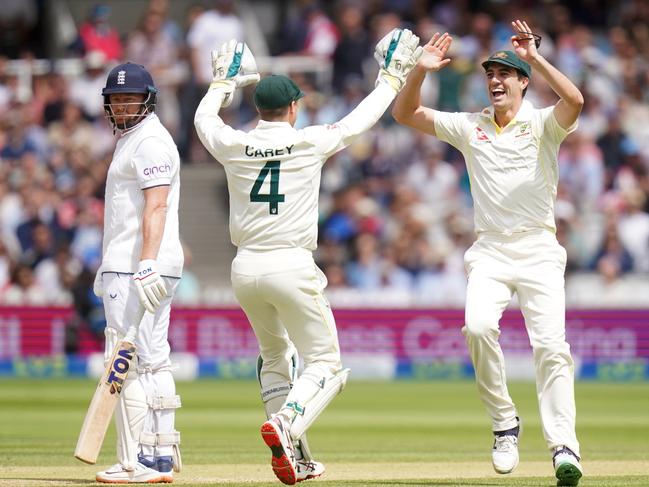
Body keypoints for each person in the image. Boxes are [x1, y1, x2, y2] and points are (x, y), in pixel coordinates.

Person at [194, 32, 422, 485]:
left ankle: (294, 456)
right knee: (326, 364)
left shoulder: (232, 144)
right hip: (291, 265)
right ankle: (285, 424)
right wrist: (393, 78)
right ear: (294, 107)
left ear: (258, 109)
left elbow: (203, 119)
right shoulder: (309, 141)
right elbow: (360, 121)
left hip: (245, 269)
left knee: (275, 355)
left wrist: (222, 84)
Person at [392, 19, 584, 487]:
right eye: (490, 74)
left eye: (506, 74)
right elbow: (405, 113)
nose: (496, 80)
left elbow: (575, 101)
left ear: (523, 82)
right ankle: (504, 423)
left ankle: (563, 446)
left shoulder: (542, 123)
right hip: (492, 252)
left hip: (538, 249)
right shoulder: (469, 126)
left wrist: (535, 57)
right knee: (477, 327)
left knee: (552, 348)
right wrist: (421, 69)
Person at [93, 62, 184, 484]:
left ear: (148, 99)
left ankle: (137, 461)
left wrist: (143, 262)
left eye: (130, 98)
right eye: (115, 99)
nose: (122, 105)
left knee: (126, 360)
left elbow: (157, 205)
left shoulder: (149, 141)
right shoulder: (134, 140)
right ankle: (162, 453)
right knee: (153, 359)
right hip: (139, 264)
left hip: (138, 267)